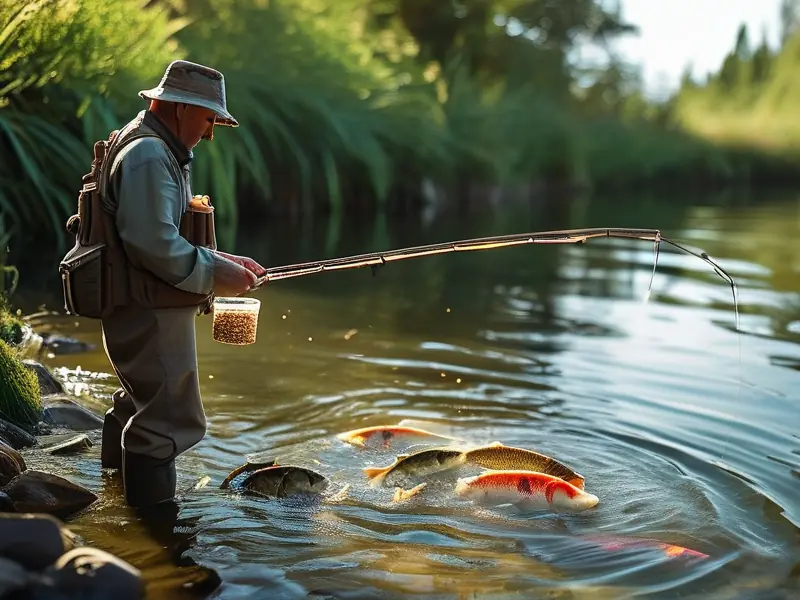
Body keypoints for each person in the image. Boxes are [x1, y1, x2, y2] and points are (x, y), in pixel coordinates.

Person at [97, 60, 264, 509]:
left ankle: (111, 501)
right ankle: (156, 542)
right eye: (209, 118)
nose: (211, 131)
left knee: (140, 401)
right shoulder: (150, 154)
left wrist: (224, 260)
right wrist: (214, 273)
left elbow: (155, 230)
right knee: (169, 418)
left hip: (136, 304)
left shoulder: (145, 142)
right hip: (147, 308)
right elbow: (151, 243)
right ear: (178, 108)